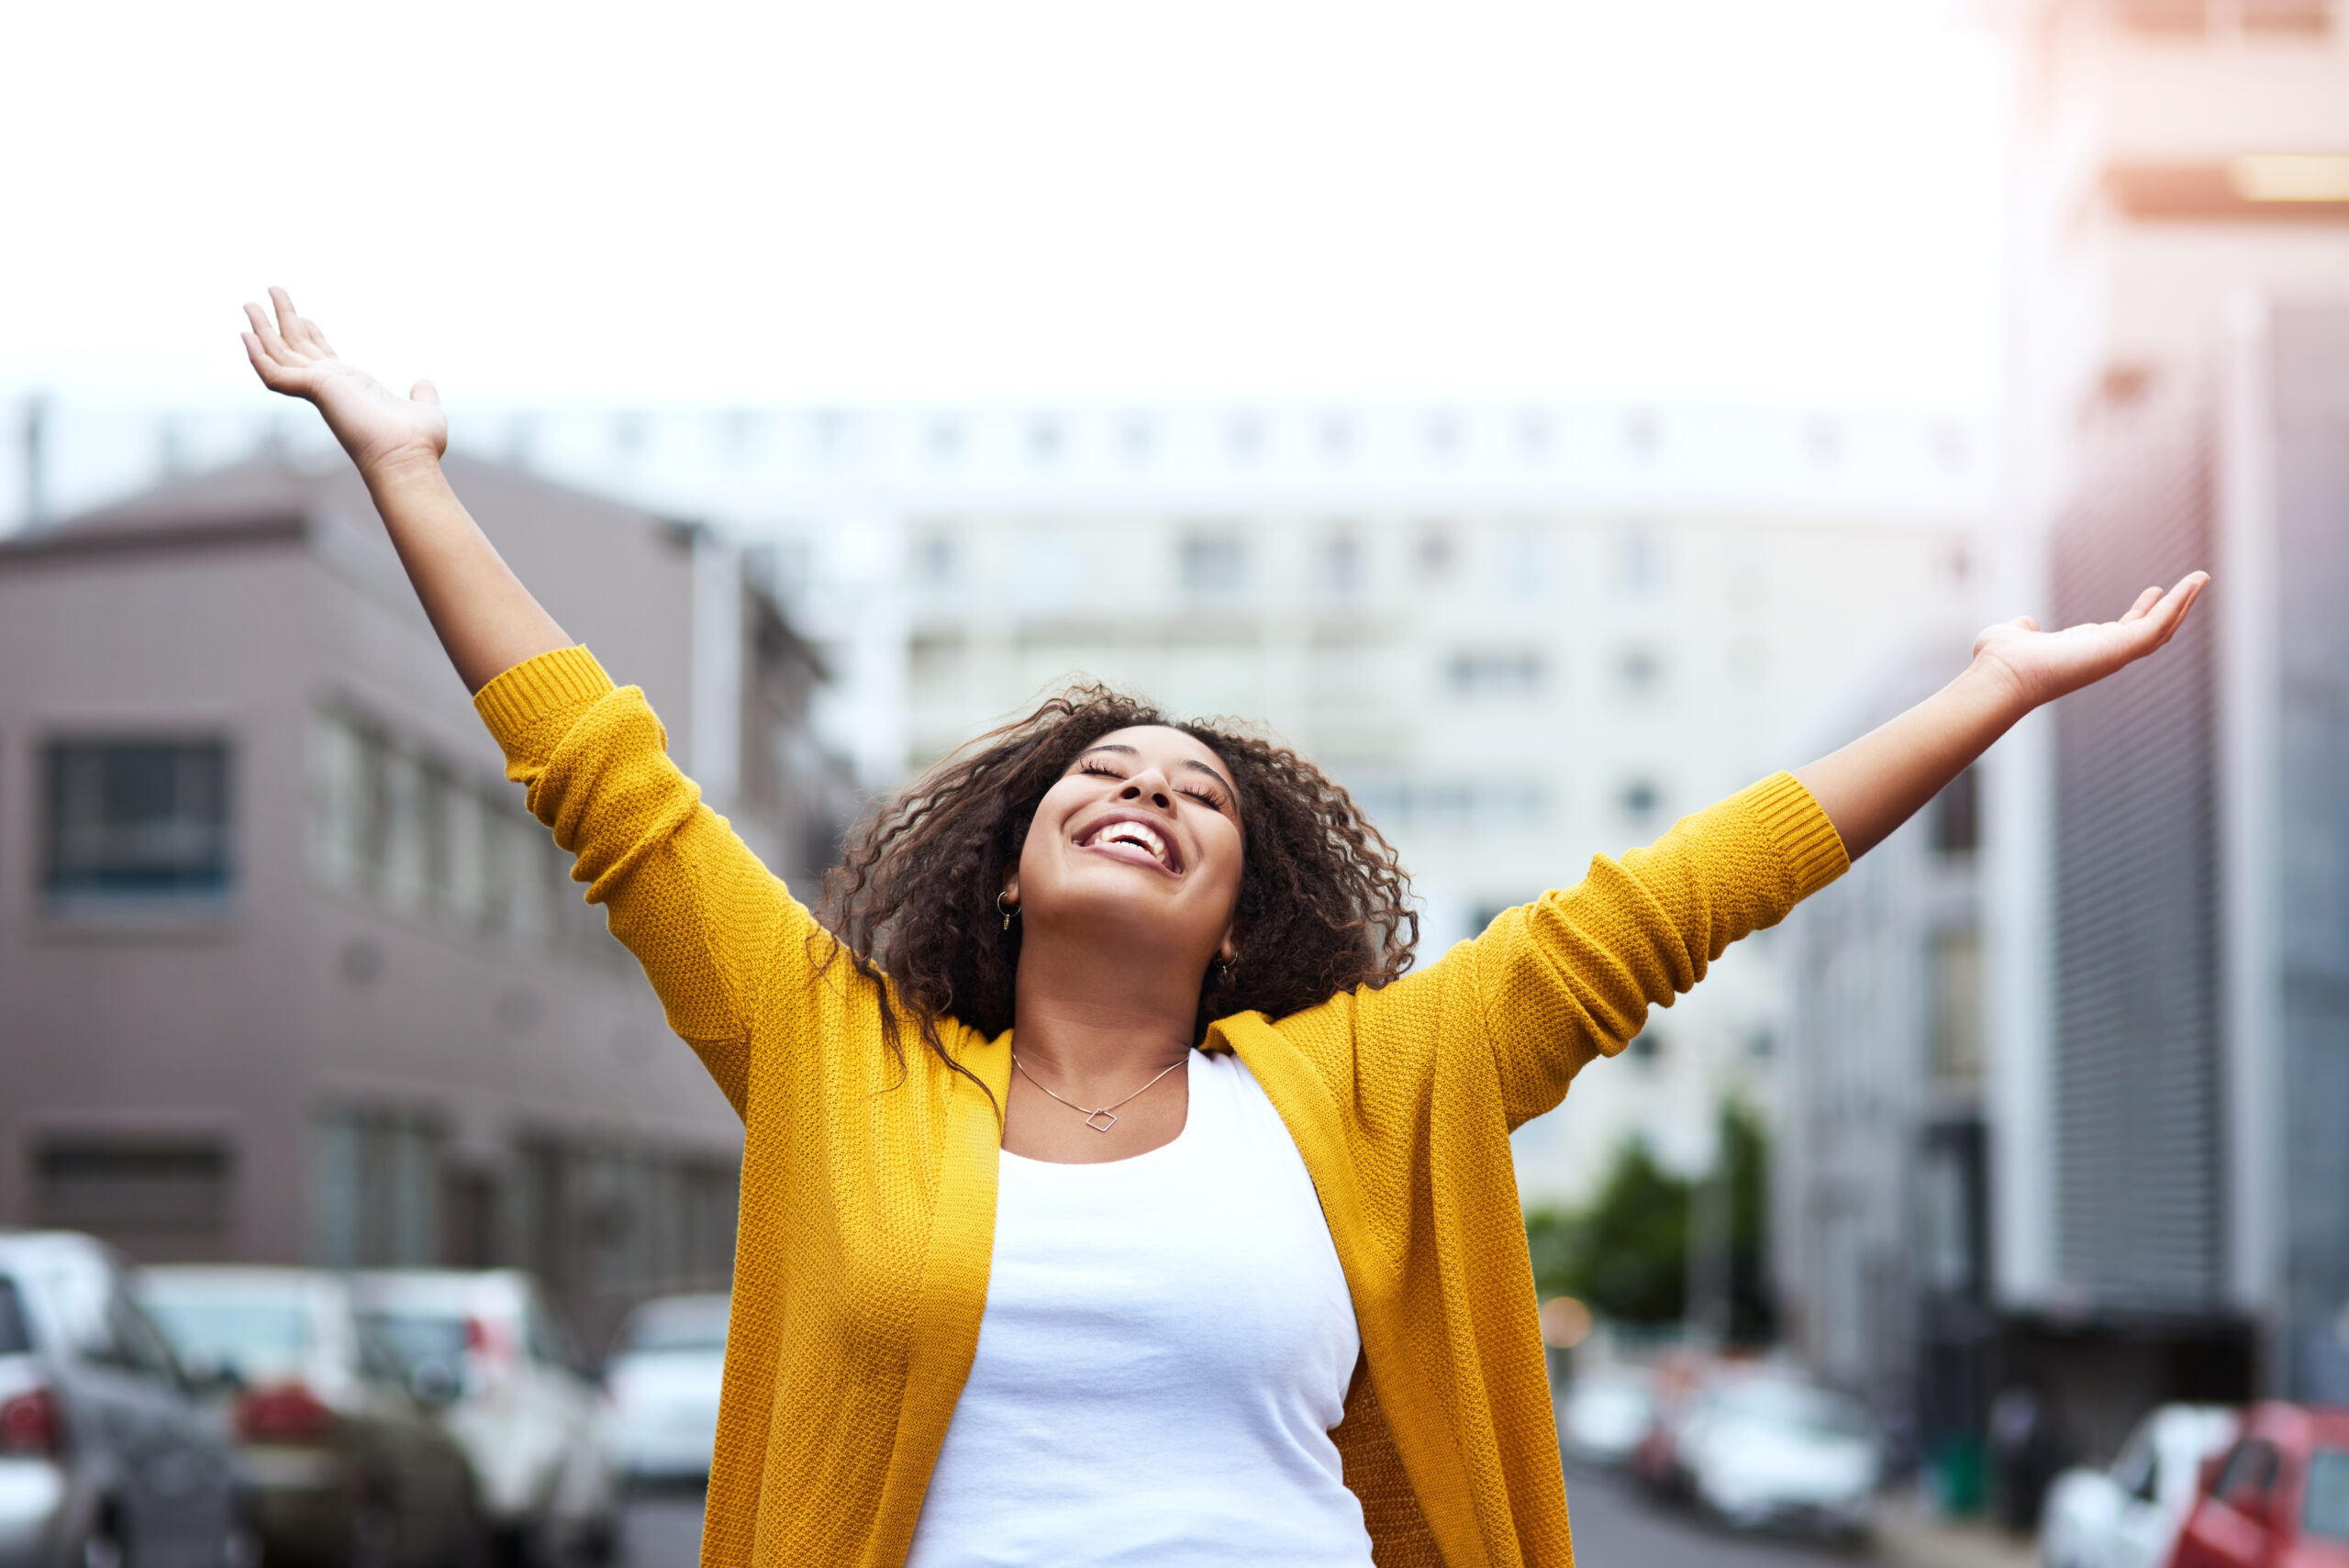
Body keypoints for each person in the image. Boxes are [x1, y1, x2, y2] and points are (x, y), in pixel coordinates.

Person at [239, 287, 2208, 1568]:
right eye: (1098, 781)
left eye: (1196, 795)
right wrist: (403, 474)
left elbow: (1671, 901)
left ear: (1236, 908)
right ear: (1004, 868)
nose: (1144, 793)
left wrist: (1989, 691)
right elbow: (612, 788)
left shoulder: (1365, 1085)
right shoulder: (834, 1053)